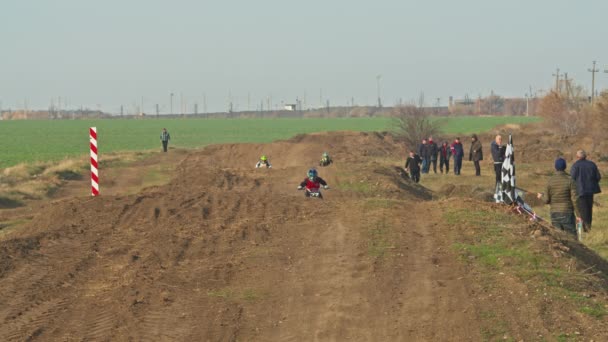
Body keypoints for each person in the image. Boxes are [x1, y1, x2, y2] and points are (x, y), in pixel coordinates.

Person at [537, 158, 579, 236]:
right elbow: (574, 199)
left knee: (559, 238)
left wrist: (541, 196)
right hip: (567, 212)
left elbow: (546, 200)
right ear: (565, 167)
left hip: (554, 213)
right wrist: (579, 215)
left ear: (555, 167)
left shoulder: (550, 181)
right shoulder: (570, 180)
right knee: (572, 238)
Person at [570, 150, 602, 232]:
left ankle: (585, 229)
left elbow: (572, 179)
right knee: (589, 209)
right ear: (585, 156)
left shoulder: (575, 166)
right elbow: (598, 177)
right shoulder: (592, 164)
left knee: (582, 210)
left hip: (580, 191)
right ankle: (588, 228)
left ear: (577, 157)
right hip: (590, 191)